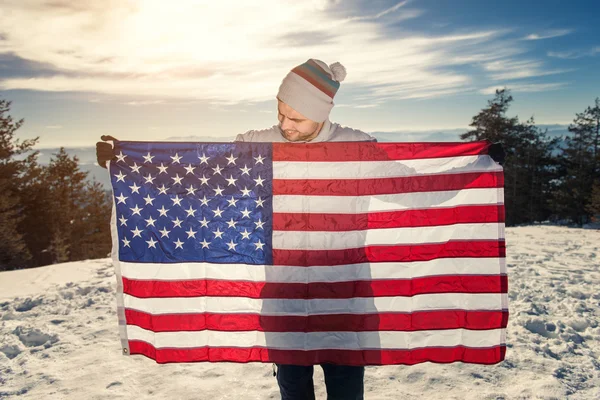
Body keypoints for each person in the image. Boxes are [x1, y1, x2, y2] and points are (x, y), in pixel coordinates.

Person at [97, 58, 375, 400]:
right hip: (282, 297)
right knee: (294, 391)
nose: (285, 125)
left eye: (297, 118)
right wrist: (128, 160)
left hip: (342, 295)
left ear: (323, 113)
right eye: (281, 113)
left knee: (346, 392)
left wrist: (462, 170)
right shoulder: (255, 147)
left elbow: (418, 183)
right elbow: (197, 175)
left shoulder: (358, 147)